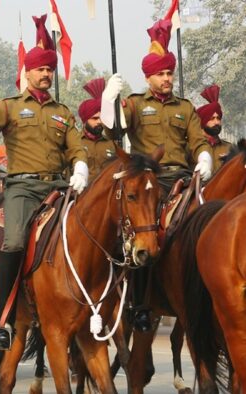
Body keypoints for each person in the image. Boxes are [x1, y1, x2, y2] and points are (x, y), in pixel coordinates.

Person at [0, 15, 88, 348]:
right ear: (28, 73)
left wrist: (80, 166)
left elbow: (76, 146)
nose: (46, 74)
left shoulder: (63, 112)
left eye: (50, 68)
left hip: (59, 188)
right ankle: (3, 319)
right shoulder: (10, 107)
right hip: (22, 189)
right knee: (15, 241)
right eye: (40, 69)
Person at [99, 20, 211, 331]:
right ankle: (142, 302)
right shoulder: (135, 104)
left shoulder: (185, 108)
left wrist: (204, 156)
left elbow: (198, 138)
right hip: (151, 179)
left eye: (169, 73)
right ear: (148, 77)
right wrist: (109, 103)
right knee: (148, 233)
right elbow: (116, 129)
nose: (167, 79)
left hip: (187, 177)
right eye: (161, 74)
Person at [78, 78, 117, 182]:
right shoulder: (75, 143)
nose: (99, 122)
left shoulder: (111, 144)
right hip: (81, 193)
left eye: (101, 118)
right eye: (95, 118)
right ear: (85, 120)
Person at [193, 84, 235, 174]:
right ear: (203, 122)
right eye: (212, 119)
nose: (216, 122)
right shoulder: (192, 147)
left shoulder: (230, 148)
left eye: (218, 118)